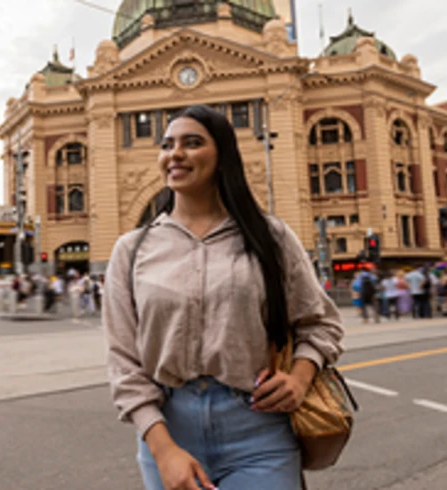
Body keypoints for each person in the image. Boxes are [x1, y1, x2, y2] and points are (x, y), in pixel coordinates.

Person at [104, 105, 345, 490]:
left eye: (192, 143)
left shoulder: (271, 237)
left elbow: (320, 323)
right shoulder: (132, 249)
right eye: (167, 145)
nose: (175, 153)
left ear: (223, 157)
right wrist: (163, 450)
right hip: (169, 428)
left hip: (258, 428)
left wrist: (299, 379)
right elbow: (124, 361)